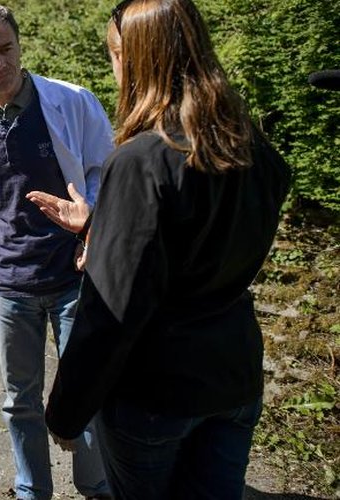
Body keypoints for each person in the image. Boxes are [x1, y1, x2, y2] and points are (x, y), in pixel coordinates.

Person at [43, 0, 292, 498]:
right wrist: (102, 227)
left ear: (138, 60)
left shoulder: (143, 161)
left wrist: (66, 411)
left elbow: (111, 311)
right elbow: (199, 246)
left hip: (156, 390)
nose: (114, 70)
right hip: (233, 375)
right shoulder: (252, 150)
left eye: (115, 55)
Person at [0, 5, 113, 499]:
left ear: (20, 47)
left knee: (85, 390)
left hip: (72, 273)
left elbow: (104, 170)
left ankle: (96, 485)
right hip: (9, 282)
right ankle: (31, 490)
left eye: (6, 50)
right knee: (19, 400)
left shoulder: (71, 102)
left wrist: (91, 229)